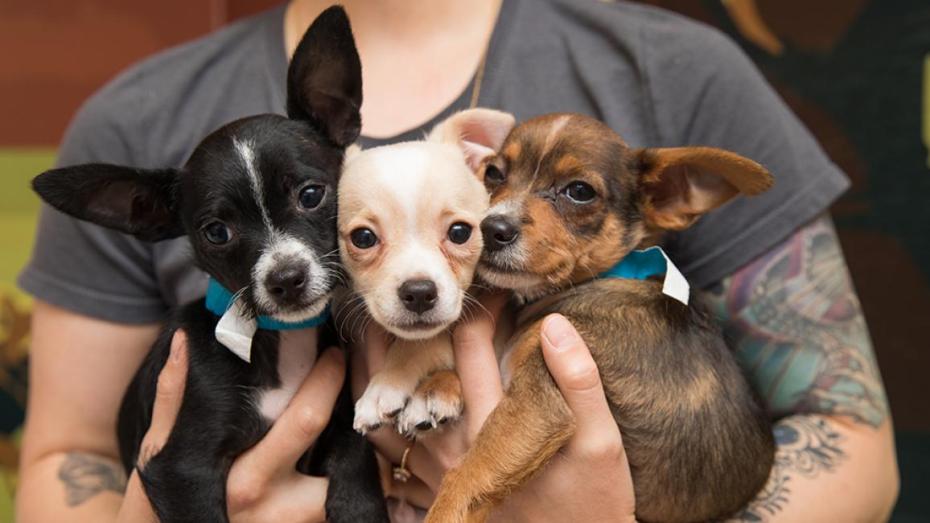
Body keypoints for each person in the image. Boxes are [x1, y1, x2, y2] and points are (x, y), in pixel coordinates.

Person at [16, 0, 898, 521]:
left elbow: (850, 433)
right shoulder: (136, 117)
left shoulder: (672, 69)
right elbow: (67, 454)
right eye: (361, 236)